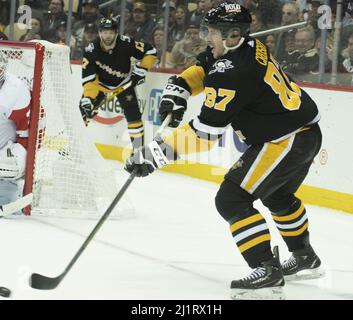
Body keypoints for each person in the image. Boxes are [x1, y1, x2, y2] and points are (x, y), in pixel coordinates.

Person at [124, 2, 324, 300]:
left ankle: (266, 269)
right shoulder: (251, 46)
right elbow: (208, 62)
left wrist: (155, 154)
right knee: (276, 195)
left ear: (232, 36)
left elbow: (205, 134)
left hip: (286, 140)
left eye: (213, 32)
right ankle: (304, 257)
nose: (207, 37)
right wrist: (181, 86)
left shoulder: (233, 74)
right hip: (304, 133)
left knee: (232, 199)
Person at [80, 17, 157, 150]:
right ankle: (73, 145)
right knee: (82, 112)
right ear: (99, 33)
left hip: (124, 85)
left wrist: (143, 68)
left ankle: (138, 151)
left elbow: (151, 51)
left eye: (110, 32)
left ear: (116, 33)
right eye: (104, 32)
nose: (107, 35)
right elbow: (89, 78)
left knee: (134, 118)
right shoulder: (91, 50)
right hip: (100, 86)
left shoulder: (126, 43)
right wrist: (88, 98)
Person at [0, 51, 30, 213]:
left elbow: (26, 127)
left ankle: (10, 194)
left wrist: (22, 150)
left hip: (4, 148)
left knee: (7, 162)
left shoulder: (15, 88)